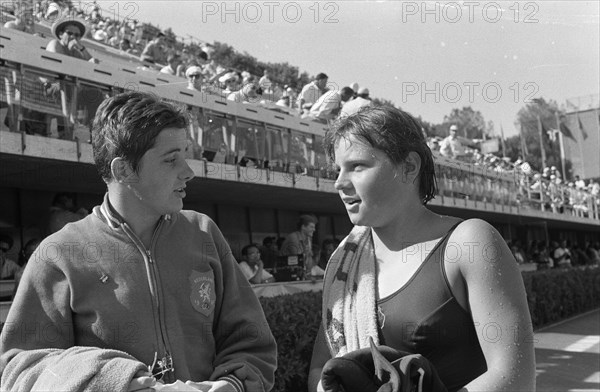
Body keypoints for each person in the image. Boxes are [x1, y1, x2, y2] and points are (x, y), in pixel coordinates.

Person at [0, 91, 277, 391]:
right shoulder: (57, 254)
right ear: (124, 170)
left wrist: (234, 383)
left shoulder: (203, 232)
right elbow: (20, 367)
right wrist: (110, 380)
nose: (188, 172)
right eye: (171, 160)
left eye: (185, 155)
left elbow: (253, 342)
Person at [308, 106, 535, 392]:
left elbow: (516, 378)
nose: (340, 182)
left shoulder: (470, 242)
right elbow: (320, 367)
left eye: (357, 166)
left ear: (409, 167)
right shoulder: (345, 263)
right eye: (338, 169)